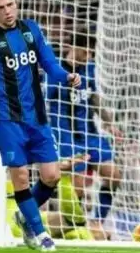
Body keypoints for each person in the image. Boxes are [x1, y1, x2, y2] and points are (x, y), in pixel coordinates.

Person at [0, 0, 81, 252]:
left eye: (10, 5)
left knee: (51, 175)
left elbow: (49, 64)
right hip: (5, 119)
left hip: (37, 115)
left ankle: (24, 216)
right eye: (0, 7)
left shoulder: (31, 29)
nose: (7, 11)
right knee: (20, 176)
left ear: (16, 3)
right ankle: (41, 234)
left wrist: (66, 76)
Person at [47, 32, 123, 239]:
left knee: (114, 176)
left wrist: (109, 123)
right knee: (78, 188)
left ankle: (96, 221)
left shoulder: (89, 69)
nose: (88, 56)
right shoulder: (54, 70)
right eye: (85, 52)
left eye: (91, 52)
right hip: (67, 137)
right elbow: (44, 102)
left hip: (90, 134)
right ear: (72, 47)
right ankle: (73, 225)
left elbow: (94, 97)